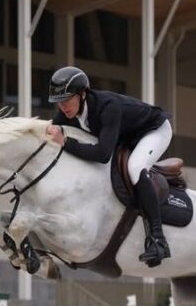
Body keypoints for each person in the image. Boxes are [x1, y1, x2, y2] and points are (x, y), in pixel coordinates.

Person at [45, 66, 173, 267]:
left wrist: (66, 143)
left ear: (82, 94)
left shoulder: (107, 106)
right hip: (127, 136)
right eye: (59, 102)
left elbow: (103, 155)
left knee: (135, 167)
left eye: (67, 100)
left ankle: (158, 240)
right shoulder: (65, 114)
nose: (63, 107)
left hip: (153, 130)